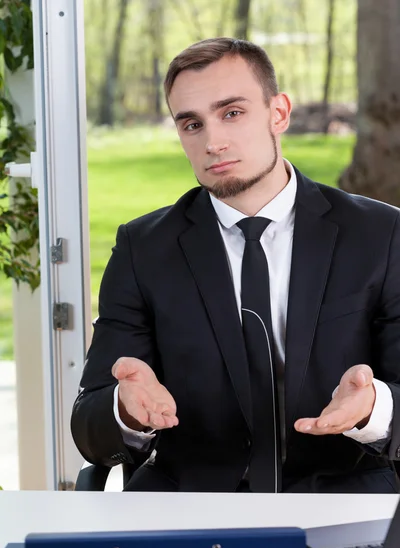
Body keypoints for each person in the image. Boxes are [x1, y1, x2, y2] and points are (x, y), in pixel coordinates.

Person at [71, 38, 400, 493]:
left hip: (343, 496)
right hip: (192, 502)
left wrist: (373, 408)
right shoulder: (142, 248)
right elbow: (90, 425)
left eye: (232, 113)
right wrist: (126, 410)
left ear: (278, 113)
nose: (213, 142)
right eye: (191, 124)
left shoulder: (381, 235)